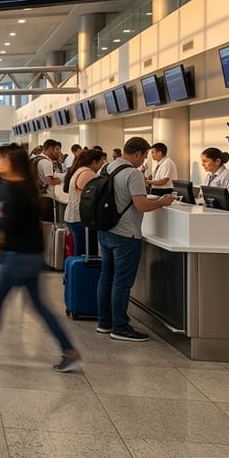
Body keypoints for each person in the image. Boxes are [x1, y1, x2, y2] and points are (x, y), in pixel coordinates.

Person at [0, 146, 83, 372]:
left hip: (16, 257)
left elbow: (11, 226)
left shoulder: (14, 190)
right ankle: (69, 351)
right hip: (31, 255)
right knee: (39, 306)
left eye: (2, 159)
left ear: (11, 162)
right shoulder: (27, 187)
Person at [96, 136, 175, 341]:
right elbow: (141, 205)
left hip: (105, 231)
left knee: (106, 277)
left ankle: (104, 323)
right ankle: (120, 327)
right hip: (126, 235)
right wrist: (162, 202)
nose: (145, 160)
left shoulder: (105, 168)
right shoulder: (133, 174)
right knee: (122, 282)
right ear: (138, 153)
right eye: (145, 155)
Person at [62, 149, 107, 261]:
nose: (101, 166)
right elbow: (91, 197)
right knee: (84, 254)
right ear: (94, 162)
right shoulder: (88, 173)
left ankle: (74, 276)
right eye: (101, 162)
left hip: (73, 216)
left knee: (78, 251)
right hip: (81, 218)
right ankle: (81, 277)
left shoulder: (79, 170)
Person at [32, 140, 64, 222]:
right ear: (50, 150)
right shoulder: (46, 163)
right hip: (46, 198)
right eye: (57, 149)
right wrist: (62, 179)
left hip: (35, 196)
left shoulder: (35, 159)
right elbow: (50, 181)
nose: (59, 152)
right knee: (48, 224)